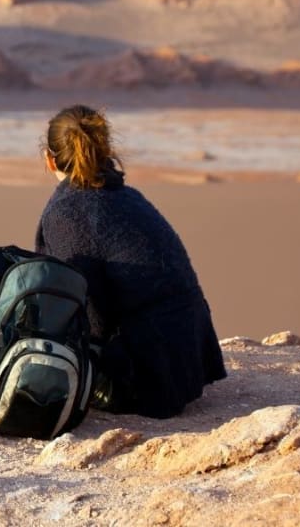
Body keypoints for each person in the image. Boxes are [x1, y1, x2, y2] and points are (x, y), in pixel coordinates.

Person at [34, 104, 226, 418]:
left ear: (49, 159)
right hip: (191, 363)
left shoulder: (65, 212)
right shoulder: (129, 196)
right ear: (104, 149)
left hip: (151, 383)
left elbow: (85, 315)